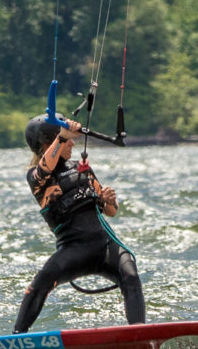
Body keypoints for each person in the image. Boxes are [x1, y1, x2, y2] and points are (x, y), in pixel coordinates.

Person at [13, 113, 146, 333]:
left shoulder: (81, 168)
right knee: (41, 283)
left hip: (104, 246)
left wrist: (109, 200)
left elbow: (110, 212)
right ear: (48, 142)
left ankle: (140, 333)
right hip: (73, 250)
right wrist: (63, 136)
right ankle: (18, 337)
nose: (72, 142)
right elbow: (44, 169)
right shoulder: (35, 178)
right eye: (65, 139)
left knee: (131, 275)